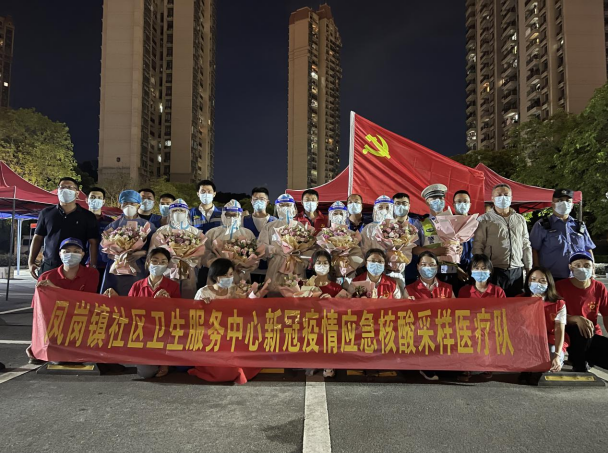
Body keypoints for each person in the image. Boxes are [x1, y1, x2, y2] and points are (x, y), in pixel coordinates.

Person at [191, 258, 267, 384]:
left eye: (230, 274)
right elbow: (194, 316)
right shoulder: (203, 292)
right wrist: (202, 305)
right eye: (224, 275)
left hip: (232, 330)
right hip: (212, 332)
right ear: (215, 276)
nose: (228, 278)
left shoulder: (234, 290)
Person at [28, 237, 100, 365]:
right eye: (66, 251)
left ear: (83, 254)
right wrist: (36, 339)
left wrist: (55, 290)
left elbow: (87, 301)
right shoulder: (46, 276)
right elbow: (39, 311)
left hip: (81, 321)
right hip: (57, 323)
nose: (71, 254)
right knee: (57, 357)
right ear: (60, 254)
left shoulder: (92, 274)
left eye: (76, 251)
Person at [112, 248, 180, 379]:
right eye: (155, 261)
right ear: (148, 262)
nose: (158, 264)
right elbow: (128, 310)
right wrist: (115, 299)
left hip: (162, 332)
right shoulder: (137, 286)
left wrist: (169, 302)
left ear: (167, 265)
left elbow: (177, 313)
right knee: (146, 373)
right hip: (141, 332)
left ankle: (165, 362)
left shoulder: (173, 286)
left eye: (163, 262)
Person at [28, 177, 98, 278]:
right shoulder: (46, 213)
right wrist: (31, 262)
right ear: (58, 191)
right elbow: (38, 238)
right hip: (50, 265)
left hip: (76, 267)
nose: (65, 190)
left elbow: (93, 242)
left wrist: (93, 264)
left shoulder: (88, 216)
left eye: (70, 187)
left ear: (77, 193)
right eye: (62, 187)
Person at [473, 183, 532, 297]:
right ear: (492, 198)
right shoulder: (484, 219)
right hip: (494, 269)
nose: (503, 198)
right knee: (496, 304)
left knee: (516, 302)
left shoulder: (520, 219)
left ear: (511, 197)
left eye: (506, 195)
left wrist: (529, 267)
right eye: (499, 195)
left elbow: (526, 244)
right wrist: (480, 269)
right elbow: (478, 246)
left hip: (517, 270)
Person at [555, 252, 608, 372]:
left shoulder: (599, 287)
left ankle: (584, 359)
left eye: (586, 265)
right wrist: (576, 318)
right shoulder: (560, 286)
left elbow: (606, 314)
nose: (582, 268)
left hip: (592, 333)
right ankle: (579, 362)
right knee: (580, 333)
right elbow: (553, 315)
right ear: (570, 267)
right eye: (577, 265)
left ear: (593, 267)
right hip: (569, 331)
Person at [405, 250, 454, 381]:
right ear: (417, 267)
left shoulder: (447, 288)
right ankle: (425, 365)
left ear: (437, 267)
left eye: (432, 265)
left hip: (442, 328)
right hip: (421, 330)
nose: (428, 268)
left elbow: (456, 311)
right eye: (424, 264)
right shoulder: (409, 289)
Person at [530, 188, 595, 281]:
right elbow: (534, 250)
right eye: (560, 200)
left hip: (578, 277)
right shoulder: (542, 225)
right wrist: (537, 271)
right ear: (553, 203)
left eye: (568, 201)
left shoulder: (579, 225)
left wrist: (592, 270)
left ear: (572, 205)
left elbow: (588, 248)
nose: (564, 203)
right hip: (551, 278)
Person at [100, 190, 156, 296]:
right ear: (120, 205)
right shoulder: (112, 226)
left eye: (132, 203)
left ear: (139, 205)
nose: (128, 206)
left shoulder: (148, 226)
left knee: (137, 298)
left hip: (138, 269)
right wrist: (114, 255)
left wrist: (142, 254)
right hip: (115, 270)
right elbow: (102, 251)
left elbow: (155, 250)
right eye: (125, 203)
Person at [150, 199, 203, 298]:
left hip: (189, 270)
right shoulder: (161, 231)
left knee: (187, 295)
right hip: (167, 270)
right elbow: (152, 253)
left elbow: (201, 257)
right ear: (170, 213)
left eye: (181, 210)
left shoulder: (196, 232)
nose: (178, 213)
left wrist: (188, 259)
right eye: (175, 210)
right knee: (167, 294)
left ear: (186, 213)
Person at [414, 184, 461, 290]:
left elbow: (458, 243)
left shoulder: (453, 220)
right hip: (430, 272)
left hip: (451, 271)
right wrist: (434, 251)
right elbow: (414, 249)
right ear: (427, 202)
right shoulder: (421, 223)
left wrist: (459, 248)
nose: (438, 201)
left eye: (440, 198)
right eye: (434, 198)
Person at [201, 200, 256, 287]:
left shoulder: (247, 233)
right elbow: (204, 252)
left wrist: (245, 264)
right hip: (218, 273)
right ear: (223, 215)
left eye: (234, 215)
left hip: (240, 273)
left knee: (240, 293)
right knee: (217, 293)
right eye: (228, 215)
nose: (231, 218)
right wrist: (215, 263)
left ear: (240, 215)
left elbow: (255, 254)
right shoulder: (212, 233)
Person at [522, 267, 567, 372]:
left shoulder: (558, 304)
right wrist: (531, 305)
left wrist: (557, 355)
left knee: (550, 364)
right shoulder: (519, 300)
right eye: (533, 279)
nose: (537, 283)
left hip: (549, 340)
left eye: (542, 281)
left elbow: (559, 330)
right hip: (527, 340)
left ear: (549, 283)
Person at [259, 194, 306, 293]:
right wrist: (274, 250)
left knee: (297, 296)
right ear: (277, 208)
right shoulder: (269, 226)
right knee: (275, 295)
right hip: (275, 267)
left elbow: (307, 247)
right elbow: (260, 247)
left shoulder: (300, 226)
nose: (285, 208)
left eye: (288, 205)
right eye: (282, 205)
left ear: (293, 207)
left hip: (296, 267)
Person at [243, 187, 278, 284]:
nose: (258, 201)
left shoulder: (275, 222)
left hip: (270, 267)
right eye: (255, 199)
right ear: (251, 201)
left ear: (267, 202)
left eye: (262, 199)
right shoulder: (243, 220)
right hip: (249, 268)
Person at [392, 192, 424, 286]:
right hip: (392, 269)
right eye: (397, 203)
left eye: (404, 203)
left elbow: (420, 246)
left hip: (411, 269)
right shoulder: (387, 224)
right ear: (393, 206)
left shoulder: (416, 224)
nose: (401, 206)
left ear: (409, 206)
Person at [86, 187, 114, 290]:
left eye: (99, 198)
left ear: (103, 201)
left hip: (103, 265)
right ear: (87, 200)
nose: (96, 200)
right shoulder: (80, 219)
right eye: (93, 197)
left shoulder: (110, 222)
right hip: (82, 264)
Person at [449, 190, 475, 295]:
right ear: (453, 204)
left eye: (465, 201)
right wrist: (455, 269)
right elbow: (441, 257)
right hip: (451, 272)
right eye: (459, 201)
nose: (462, 204)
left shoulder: (476, 223)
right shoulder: (446, 224)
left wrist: (474, 269)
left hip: (474, 271)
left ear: (470, 204)